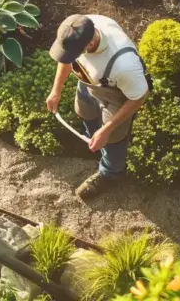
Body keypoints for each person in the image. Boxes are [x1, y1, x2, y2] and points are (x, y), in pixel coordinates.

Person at [46, 14, 149, 199]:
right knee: (84, 112)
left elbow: (139, 97)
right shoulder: (81, 26)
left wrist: (106, 131)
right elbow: (68, 59)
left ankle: (110, 172)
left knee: (113, 138)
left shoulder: (124, 65)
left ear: (90, 45)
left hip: (116, 94)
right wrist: (56, 91)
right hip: (89, 82)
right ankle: (92, 141)